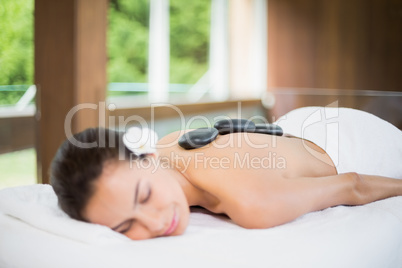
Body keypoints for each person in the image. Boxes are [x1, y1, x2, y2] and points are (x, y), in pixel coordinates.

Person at [50, 106, 402, 240]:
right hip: (283, 130)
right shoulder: (168, 145)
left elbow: (351, 185)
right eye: (126, 227)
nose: (155, 223)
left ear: (147, 157)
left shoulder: (254, 203)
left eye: (143, 196)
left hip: (346, 140)